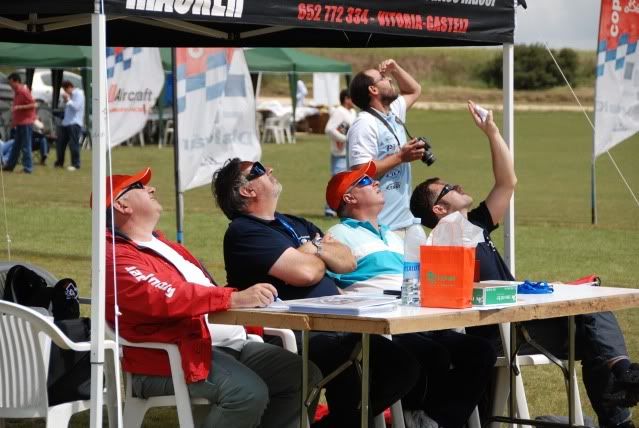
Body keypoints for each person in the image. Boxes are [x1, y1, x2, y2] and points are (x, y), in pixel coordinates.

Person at [410, 101, 639, 428]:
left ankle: (620, 383)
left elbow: (508, 181)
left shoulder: (473, 225)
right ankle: (621, 399)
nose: (458, 186)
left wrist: (492, 131)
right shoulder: (444, 238)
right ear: (439, 211)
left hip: (521, 319)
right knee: (593, 315)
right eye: (448, 189)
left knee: (593, 319)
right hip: (501, 328)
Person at [102, 167, 322, 428]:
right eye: (140, 186)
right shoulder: (115, 257)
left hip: (221, 345)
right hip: (171, 358)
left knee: (305, 375)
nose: (151, 188)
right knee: (247, 392)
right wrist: (233, 298)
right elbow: (166, 296)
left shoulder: (166, 246)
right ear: (121, 204)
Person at [212, 158, 420, 427]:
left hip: (334, 325)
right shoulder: (244, 231)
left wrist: (311, 250)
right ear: (246, 190)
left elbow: (347, 260)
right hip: (292, 330)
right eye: (260, 170)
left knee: (403, 365)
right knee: (384, 367)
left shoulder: (294, 223)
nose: (271, 170)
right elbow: (306, 274)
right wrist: (320, 249)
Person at [324, 162, 497, 428]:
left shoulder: (394, 236)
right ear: (349, 198)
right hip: (379, 325)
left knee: (480, 351)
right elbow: (335, 288)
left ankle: (433, 420)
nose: (376, 182)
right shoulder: (337, 236)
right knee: (434, 354)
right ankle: (418, 416)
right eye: (365, 182)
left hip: (415, 316)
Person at [347, 59, 424, 233]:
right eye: (383, 78)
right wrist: (401, 157)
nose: (389, 79)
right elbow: (360, 171)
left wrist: (395, 68)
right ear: (373, 90)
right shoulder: (364, 123)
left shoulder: (393, 112)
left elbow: (414, 90)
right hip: (382, 226)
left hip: (405, 221)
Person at [323, 88, 357, 217]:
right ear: (346, 99)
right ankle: (329, 208)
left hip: (350, 154)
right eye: (352, 98)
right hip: (340, 153)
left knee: (348, 182)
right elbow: (329, 129)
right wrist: (345, 139)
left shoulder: (353, 112)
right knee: (338, 181)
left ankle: (342, 208)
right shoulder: (339, 112)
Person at [5, 73, 36, 173]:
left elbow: (33, 104)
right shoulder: (17, 93)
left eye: (10, 83)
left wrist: (20, 107)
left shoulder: (23, 91)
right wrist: (14, 122)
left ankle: (28, 168)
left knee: (26, 146)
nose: (10, 86)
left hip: (26, 123)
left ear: (16, 81)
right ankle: (10, 166)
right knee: (16, 146)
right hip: (19, 123)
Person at [56, 80, 85, 171]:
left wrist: (68, 99)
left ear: (69, 87)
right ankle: (59, 163)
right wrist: (65, 100)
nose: (65, 92)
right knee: (60, 144)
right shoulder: (70, 96)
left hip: (75, 123)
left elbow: (76, 107)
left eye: (65, 89)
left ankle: (75, 164)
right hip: (66, 123)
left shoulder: (79, 94)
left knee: (73, 144)